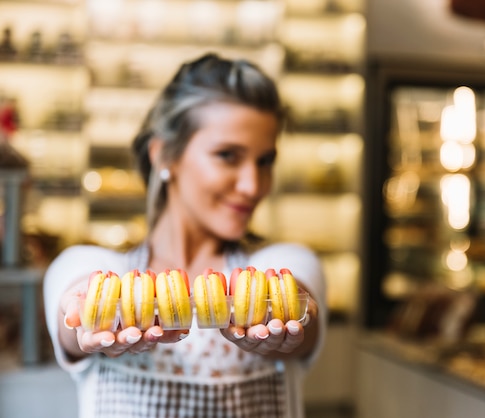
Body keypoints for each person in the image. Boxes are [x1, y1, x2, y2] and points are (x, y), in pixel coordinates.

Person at [43, 53, 326, 418]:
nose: (252, 184)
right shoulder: (95, 266)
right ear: (165, 156)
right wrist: (83, 319)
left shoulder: (282, 264)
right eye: (227, 155)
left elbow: (304, 314)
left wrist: (292, 319)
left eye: (265, 161)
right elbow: (73, 306)